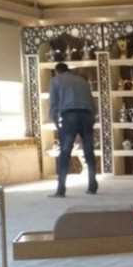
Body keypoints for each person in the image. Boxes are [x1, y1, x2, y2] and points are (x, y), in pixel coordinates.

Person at [48, 62, 98, 197]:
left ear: (57, 71)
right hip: (87, 114)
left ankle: (61, 189)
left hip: (69, 115)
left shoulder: (55, 80)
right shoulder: (82, 81)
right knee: (89, 151)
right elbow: (92, 102)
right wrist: (92, 118)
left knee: (65, 152)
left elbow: (53, 103)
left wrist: (55, 122)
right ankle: (92, 185)